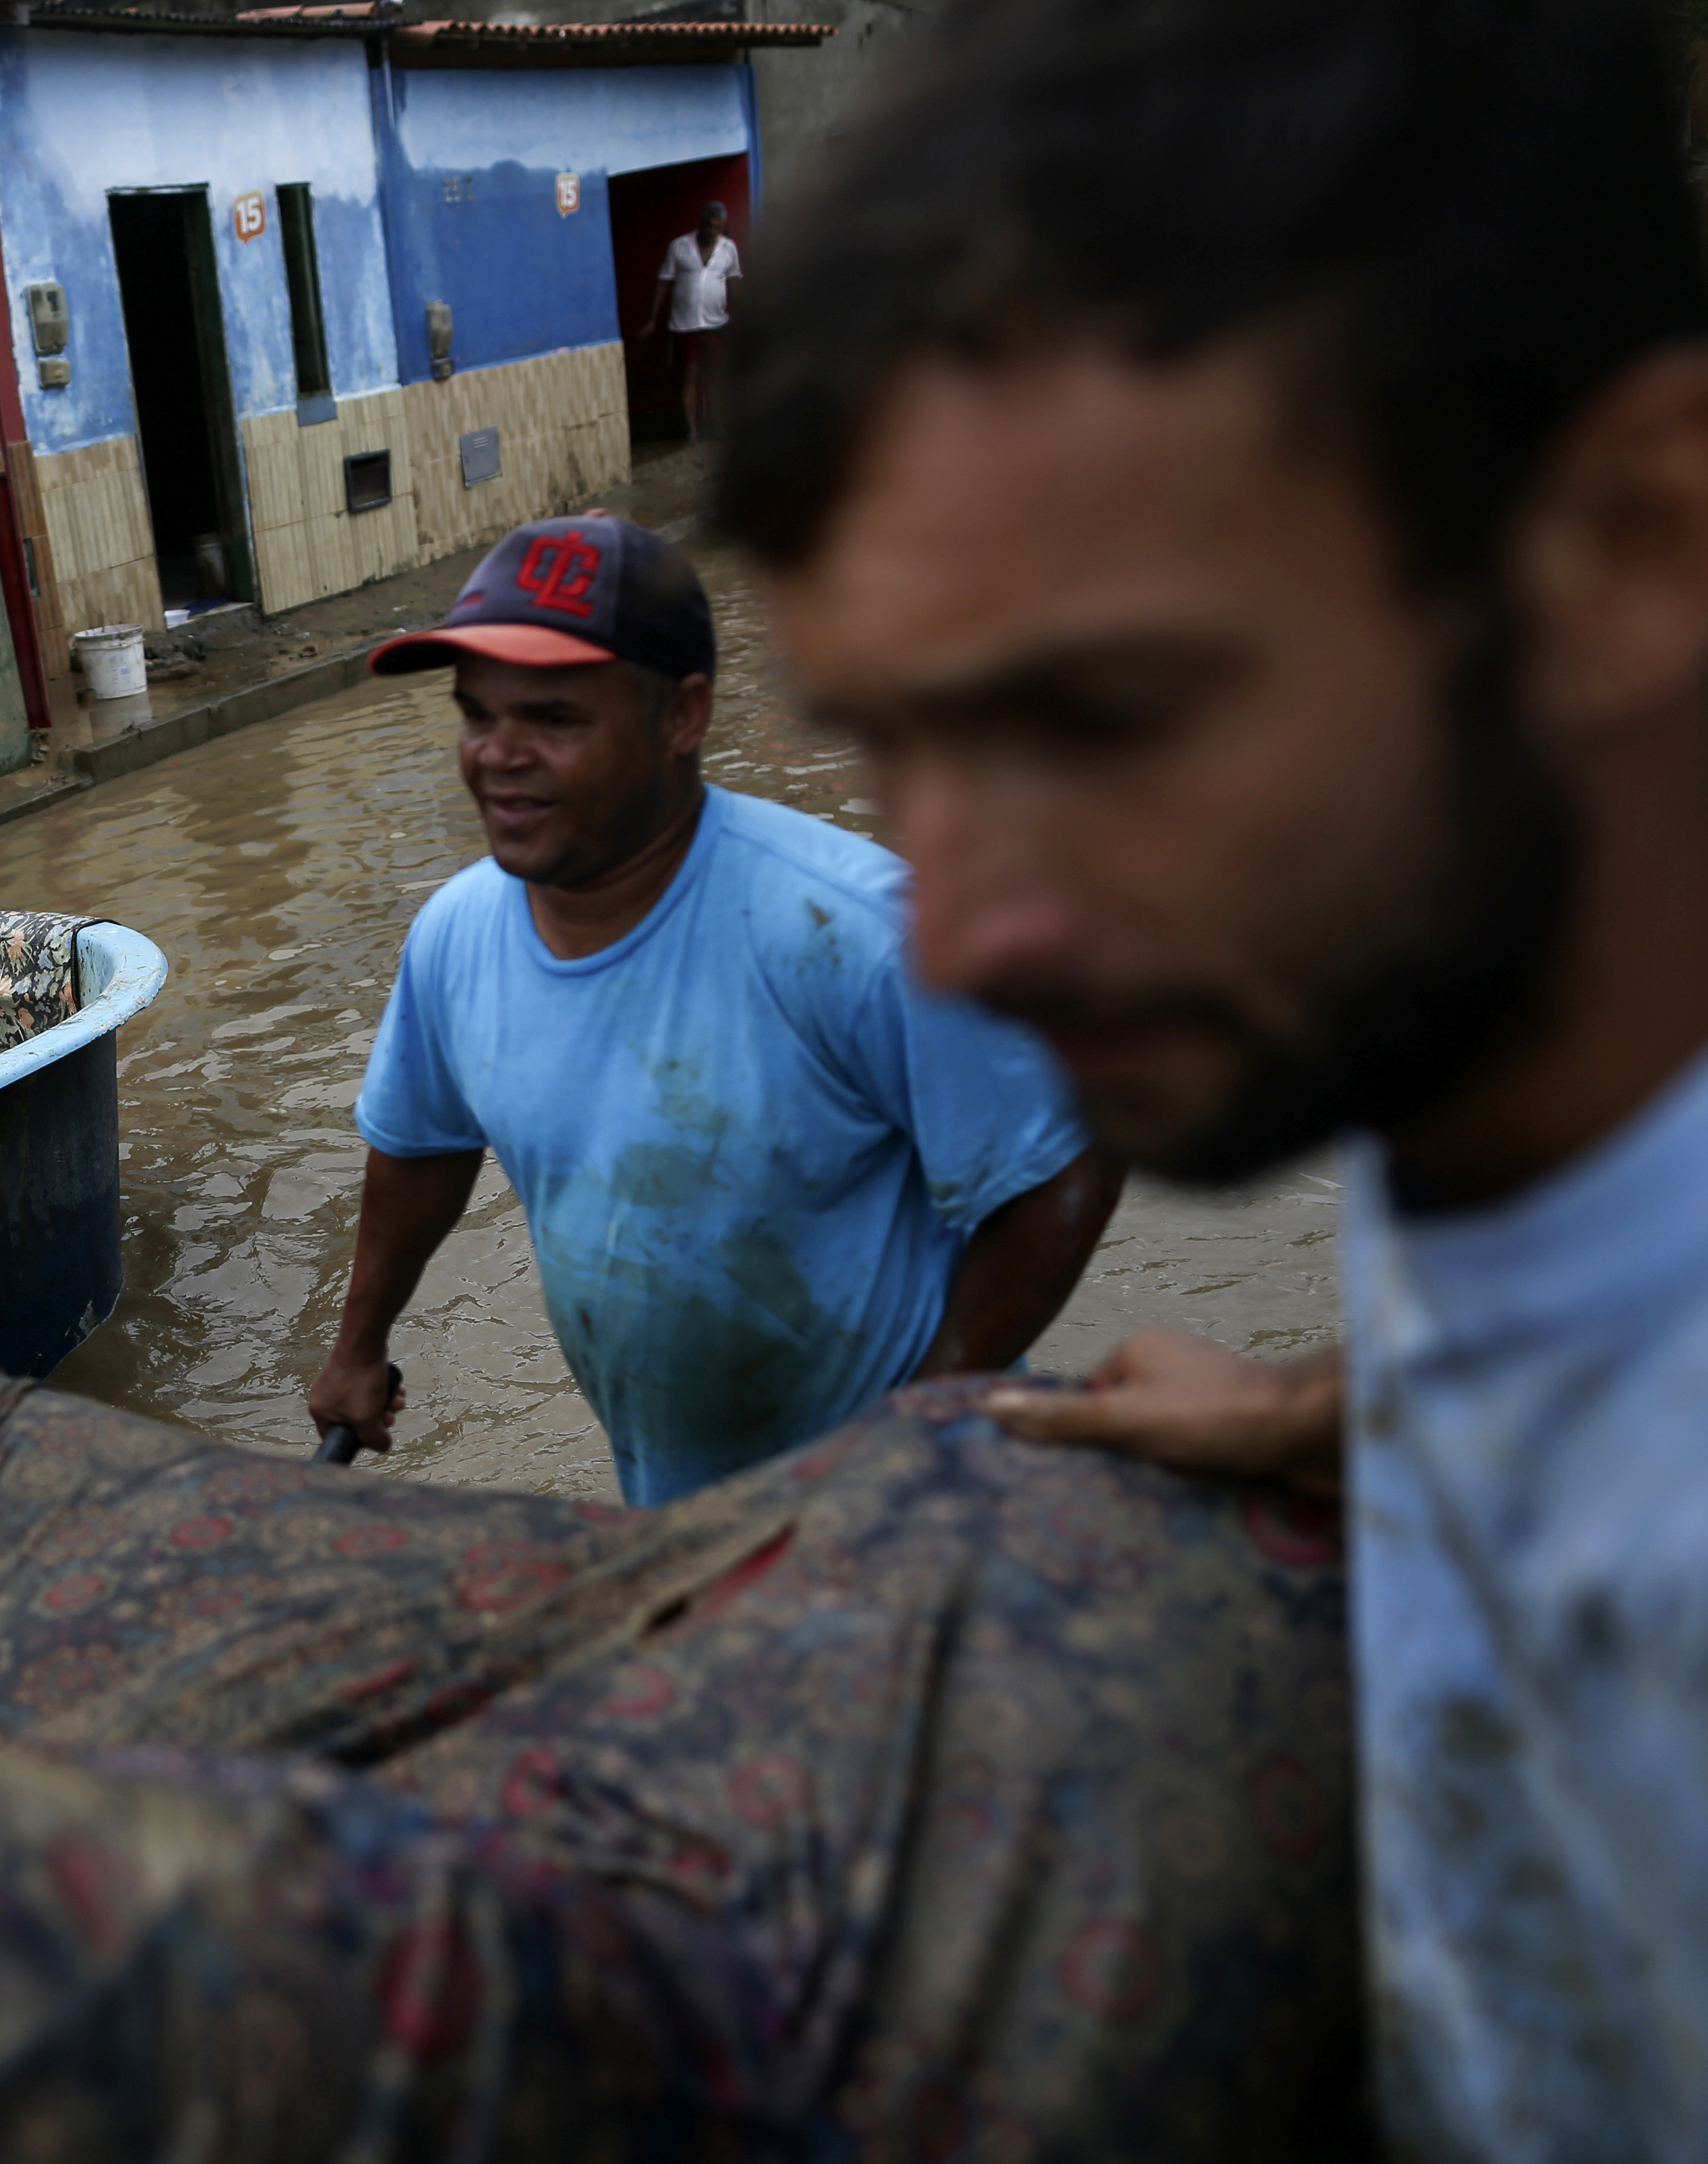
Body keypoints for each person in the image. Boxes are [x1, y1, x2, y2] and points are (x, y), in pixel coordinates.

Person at [713, 0, 1708, 2149]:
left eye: (1105, 717)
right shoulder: (1517, 1118)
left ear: (1629, 545)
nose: (960, 934)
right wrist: (1340, 1413)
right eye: (891, 742)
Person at [307, 513, 1119, 1503]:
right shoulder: (454, 936)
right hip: (681, 1506)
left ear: (682, 717)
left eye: (554, 719)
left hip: (917, 1501)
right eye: (478, 715)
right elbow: (423, 1143)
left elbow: (1064, 1161)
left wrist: (919, 1421)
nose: (497, 755)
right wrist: (359, 1345)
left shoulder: (857, 929)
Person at [639, 200, 739, 441]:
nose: (713, 232)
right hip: (685, 325)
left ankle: (719, 428)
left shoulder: (729, 249)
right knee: (690, 376)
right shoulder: (679, 247)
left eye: (718, 228)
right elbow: (663, 281)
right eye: (709, 227)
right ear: (700, 224)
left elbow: (735, 281)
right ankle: (692, 431)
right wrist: (652, 319)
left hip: (716, 324)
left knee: (716, 377)